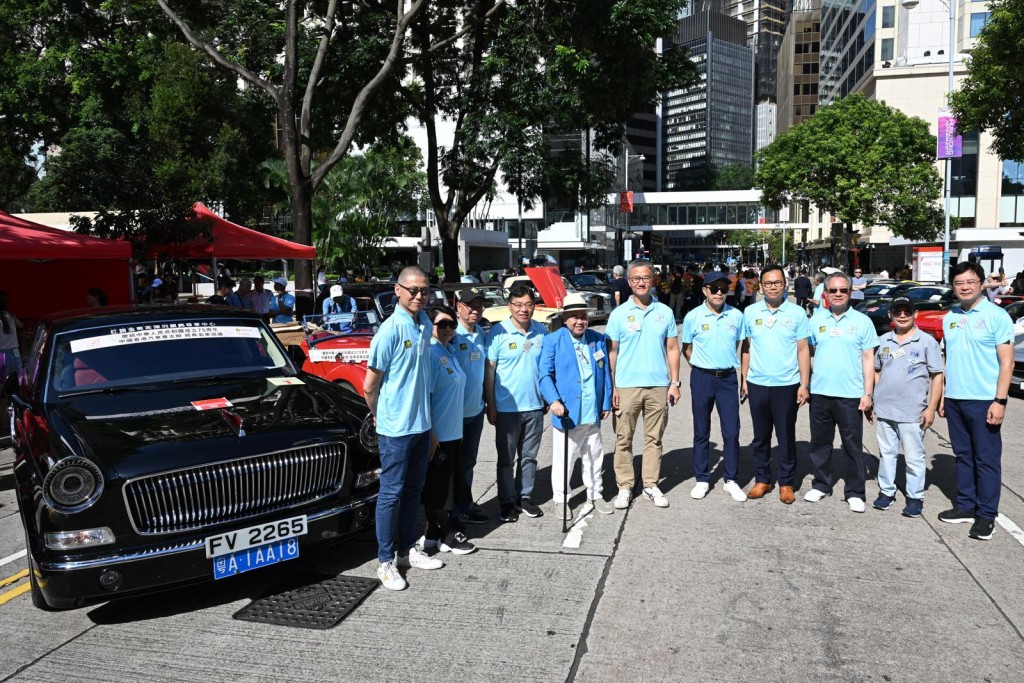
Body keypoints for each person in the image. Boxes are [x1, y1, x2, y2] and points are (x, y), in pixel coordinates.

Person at [364, 266, 444, 591]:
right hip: (395, 431)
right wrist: (381, 418)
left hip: (421, 426)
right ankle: (385, 562)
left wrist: (431, 427)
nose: (418, 295)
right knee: (391, 494)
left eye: (424, 290)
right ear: (397, 290)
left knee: (413, 491)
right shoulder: (389, 330)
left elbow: (422, 382)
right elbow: (370, 386)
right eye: (412, 289)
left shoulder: (424, 324)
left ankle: (408, 549)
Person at [937, 262, 1014, 540]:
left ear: (982, 283)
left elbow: (1007, 362)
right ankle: (966, 506)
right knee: (963, 456)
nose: (965, 287)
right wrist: (944, 395)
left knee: (986, 459)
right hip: (956, 399)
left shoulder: (996, 316)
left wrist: (1000, 400)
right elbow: (947, 359)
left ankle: (986, 515)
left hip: (984, 400)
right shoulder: (951, 317)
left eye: (971, 281)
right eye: (959, 283)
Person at [606, 260, 681, 509]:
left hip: (658, 385)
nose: (641, 282)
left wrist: (675, 382)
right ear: (629, 282)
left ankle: (650, 484)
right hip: (627, 386)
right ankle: (625, 486)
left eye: (645, 278)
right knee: (623, 439)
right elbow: (612, 353)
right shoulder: (618, 315)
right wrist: (613, 386)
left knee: (654, 439)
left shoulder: (664, 313)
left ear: (653, 281)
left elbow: (672, 348)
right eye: (636, 278)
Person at [805, 272, 879, 512]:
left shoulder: (862, 321)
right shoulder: (815, 320)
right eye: (833, 290)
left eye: (843, 290)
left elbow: (869, 359)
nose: (838, 294)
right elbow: (809, 354)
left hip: (850, 394)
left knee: (852, 445)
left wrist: (868, 393)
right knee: (820, 443)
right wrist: (808, 383)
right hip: (820, 393)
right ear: (825, 294)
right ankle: (821, 484)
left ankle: (855, 491)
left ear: (850, 292)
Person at [739, 265, 811, 504]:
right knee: (760, 436)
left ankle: (786, 482)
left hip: (787, 384)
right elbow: (747, 348)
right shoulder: (750, 312)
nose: (772, 287)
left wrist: (804, 383)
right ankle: (762, 479)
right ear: (760, 286)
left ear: (785, 285)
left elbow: (803, 349)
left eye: (777, 282)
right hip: (758, 382)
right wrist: (744, 377)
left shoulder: (797, 313)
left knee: (786, 436)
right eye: (768, 283)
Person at [539, 293, 614, 521]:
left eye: (583, 317)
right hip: (568, 413)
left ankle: (595, 493)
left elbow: (604, 372)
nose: (579, 321)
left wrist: (605, 401)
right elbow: (544, 375)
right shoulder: (553, 340)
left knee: (594, 456)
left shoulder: (597, 339)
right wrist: (553, 401)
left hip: (592, 412)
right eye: (574, 317)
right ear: (564, 318)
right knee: (566, 460)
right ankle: (561, 499)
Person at [869, 297, 944, 518]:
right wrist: (876, 396)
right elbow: (876, 369)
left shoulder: (926, 342)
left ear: (915, 314)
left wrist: (931, 408)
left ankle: (915, 497)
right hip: (885, 411)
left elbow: (937, 376)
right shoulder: (884, 340)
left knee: (913, 457)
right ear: (890, 315)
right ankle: (887, 492)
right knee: (886, 454)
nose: (903, 315)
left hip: (913, 412)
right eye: (898, 312)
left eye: (907, 312)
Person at [681, 270, 748, 502]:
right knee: (701, 431)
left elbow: (741, 346)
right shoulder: (693, 317)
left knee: (731, 431)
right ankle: (702, 478)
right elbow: (686, 348)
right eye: (714, 288)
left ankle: (731, 479)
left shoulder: (737, 316)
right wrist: (701, 366)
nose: (719, 293)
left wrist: (743, 378)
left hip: (728, 378)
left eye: (723, 288)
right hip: (702, 378)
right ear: (705, 291)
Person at [485, 282, 547, 522]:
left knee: (529, 457)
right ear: (509, 306)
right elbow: (490, 371)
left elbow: (545, 369)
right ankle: (506, 501)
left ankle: (525, 497)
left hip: (535, 407)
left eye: (529, 304)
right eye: (518, 305)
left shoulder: (541, 331)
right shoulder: (498, 332)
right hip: (507, 409)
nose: (524, 309)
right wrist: (491, 404)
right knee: (506, 459)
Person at [418, 305, 475, 555]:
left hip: (453, 433)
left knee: (444, 486)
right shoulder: (431, 353)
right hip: (438, 434)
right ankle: (449, 534)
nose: (448, 329)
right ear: (429, 326)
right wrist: (432, 435)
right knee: (439, 489)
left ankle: (432, 534)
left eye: (452, 324)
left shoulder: (449, 351)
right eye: (442, 324)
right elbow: (426, 396)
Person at [449, 287, 490, 525]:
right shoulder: (451, 334)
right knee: (454, 465)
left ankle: (464, 505)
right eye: (470, 305)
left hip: (475, 410)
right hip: (454, 414)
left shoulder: (480, 334)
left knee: (468, 463)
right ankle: (452, 512)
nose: (475, 310)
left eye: (479, 306)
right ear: (459, 307)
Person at [0, 291, 24, 383]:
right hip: (15, 352)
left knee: (2, 382)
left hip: (2, 354)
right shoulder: (10, 315)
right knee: (18, 379)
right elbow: (21, 325)